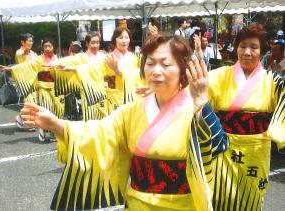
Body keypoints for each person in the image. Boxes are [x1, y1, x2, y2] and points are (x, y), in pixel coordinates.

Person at [20, 34, 228, 211]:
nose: (156, 70)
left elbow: (219, 145)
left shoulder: (194, 108)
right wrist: (57, 124)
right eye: (150, 63)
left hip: (182, 205)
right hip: (137, 203)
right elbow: (99, 132)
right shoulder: (132, 110)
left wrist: (201, 101)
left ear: (183, 69)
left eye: (165, 64)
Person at [196, 23, 285, 210]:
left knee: (251, 200)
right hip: (223, 151)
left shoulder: (273, 81)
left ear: (262, 51)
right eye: (242, 46)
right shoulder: (220, 76)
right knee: (220, 197)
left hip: (256, 153)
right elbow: (196, 91)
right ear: (236, 48)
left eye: (254, 47)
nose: (247, 52)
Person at [0, 38, 64, 141]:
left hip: (56, 88)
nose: (47, 48)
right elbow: (26, 66)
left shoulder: (58, 58)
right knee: (47, 109)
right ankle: (45, 129)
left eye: (49, 46)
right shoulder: (38, 59)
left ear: (54, 47)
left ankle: (52, 131)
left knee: (58, 110)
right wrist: (11, 68)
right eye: (45, 46)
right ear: (42, 48)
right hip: (43, 88)